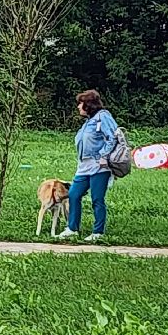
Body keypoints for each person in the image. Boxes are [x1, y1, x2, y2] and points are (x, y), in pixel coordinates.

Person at [61, 89, 119, 242]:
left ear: (88, 105)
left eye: (81, 103)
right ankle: (72, 228)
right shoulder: (88, 121)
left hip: (99, 166)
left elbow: (112, 137)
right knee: (74, 194)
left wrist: (103, 155)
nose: (78, 107)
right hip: (84, 166)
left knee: (97, 198)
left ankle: (98, 232)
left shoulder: (103, 117)